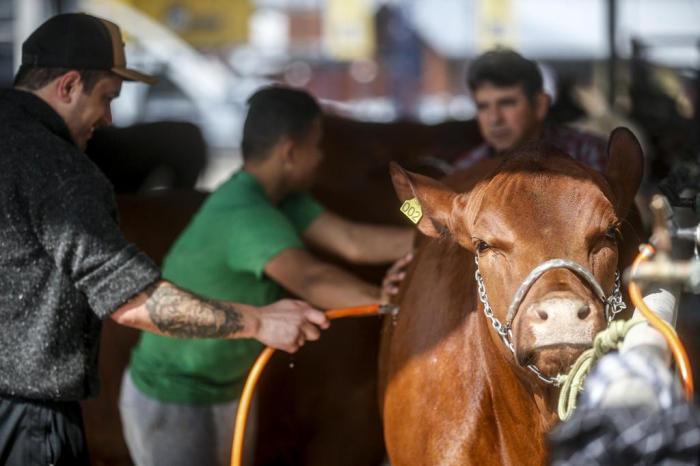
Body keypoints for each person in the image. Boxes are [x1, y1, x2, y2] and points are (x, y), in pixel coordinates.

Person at [0, 14, 329, 466]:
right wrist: (260, 322)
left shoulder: (293, 205)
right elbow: (134, 302)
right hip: (32, 421)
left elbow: (349, 237)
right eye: (107, 98)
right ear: (69, 85)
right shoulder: (60, 170)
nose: (110, 118)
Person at [120, 86, 415, 466]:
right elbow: (311, 281)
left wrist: (439, 234)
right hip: (173, 397)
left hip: (227, 387)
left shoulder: (282, 198)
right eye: (317, 145)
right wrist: (393, 303)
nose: (321, 156)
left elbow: (352, 241)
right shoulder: (245, 212)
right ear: (291, 151)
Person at [454, 49, 607, 171]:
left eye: (507, 103)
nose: (494, 118)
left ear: (540, 105)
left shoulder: (587, 155)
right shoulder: (466, 170)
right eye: (483, 106)